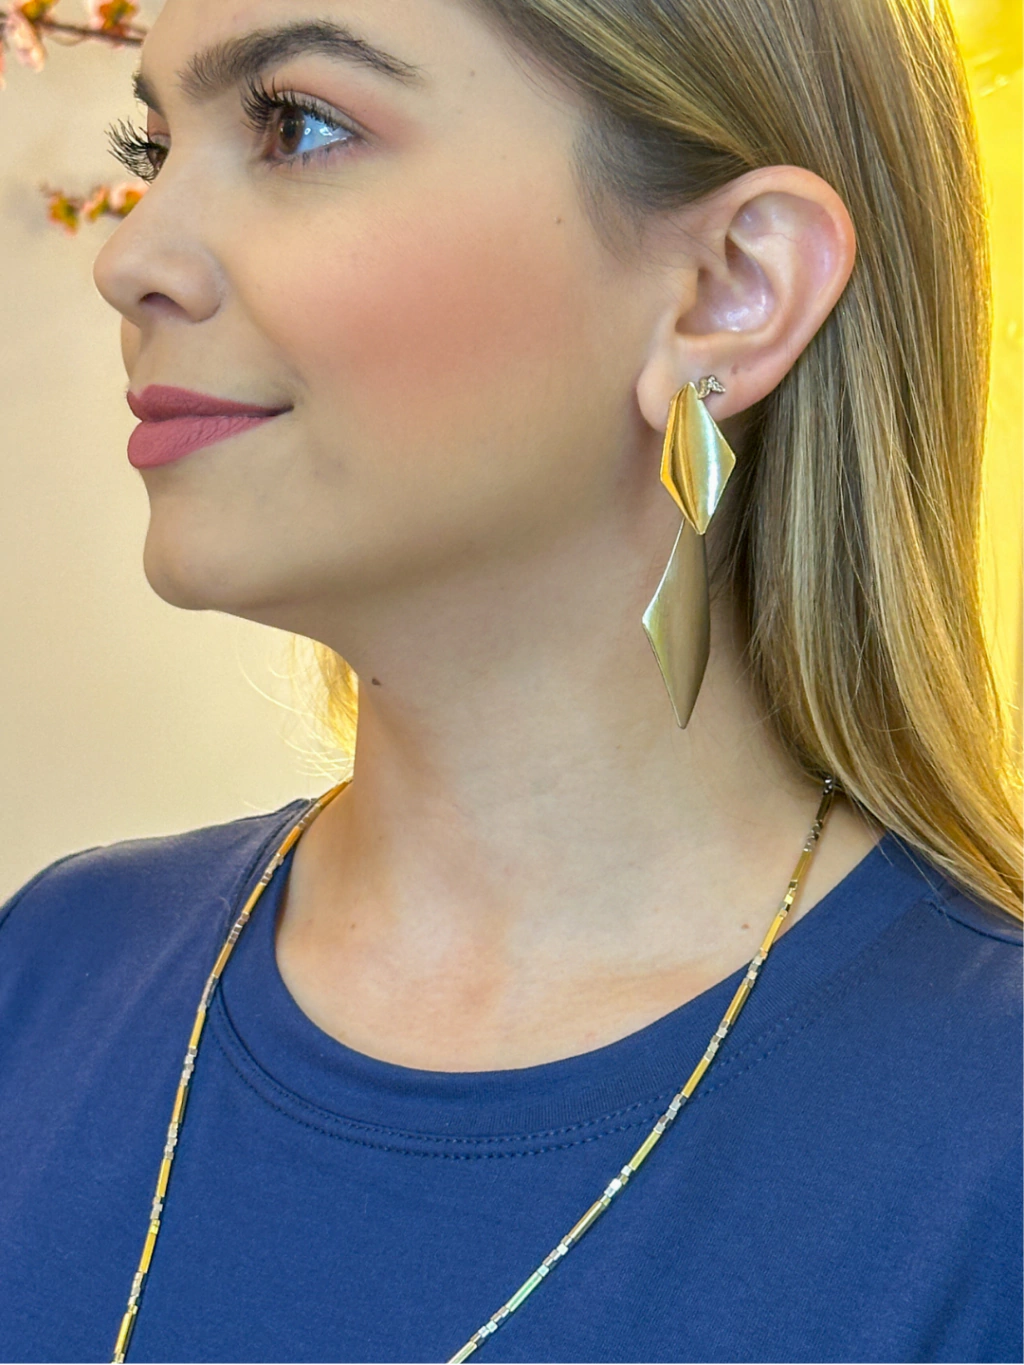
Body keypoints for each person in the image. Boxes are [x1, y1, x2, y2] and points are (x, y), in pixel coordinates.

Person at [1, 0, 1020, 1361]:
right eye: (153, 147)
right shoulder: (52, 970)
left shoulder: (987, 1138)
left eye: (299, 126)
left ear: (730, 288)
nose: (129, 259)